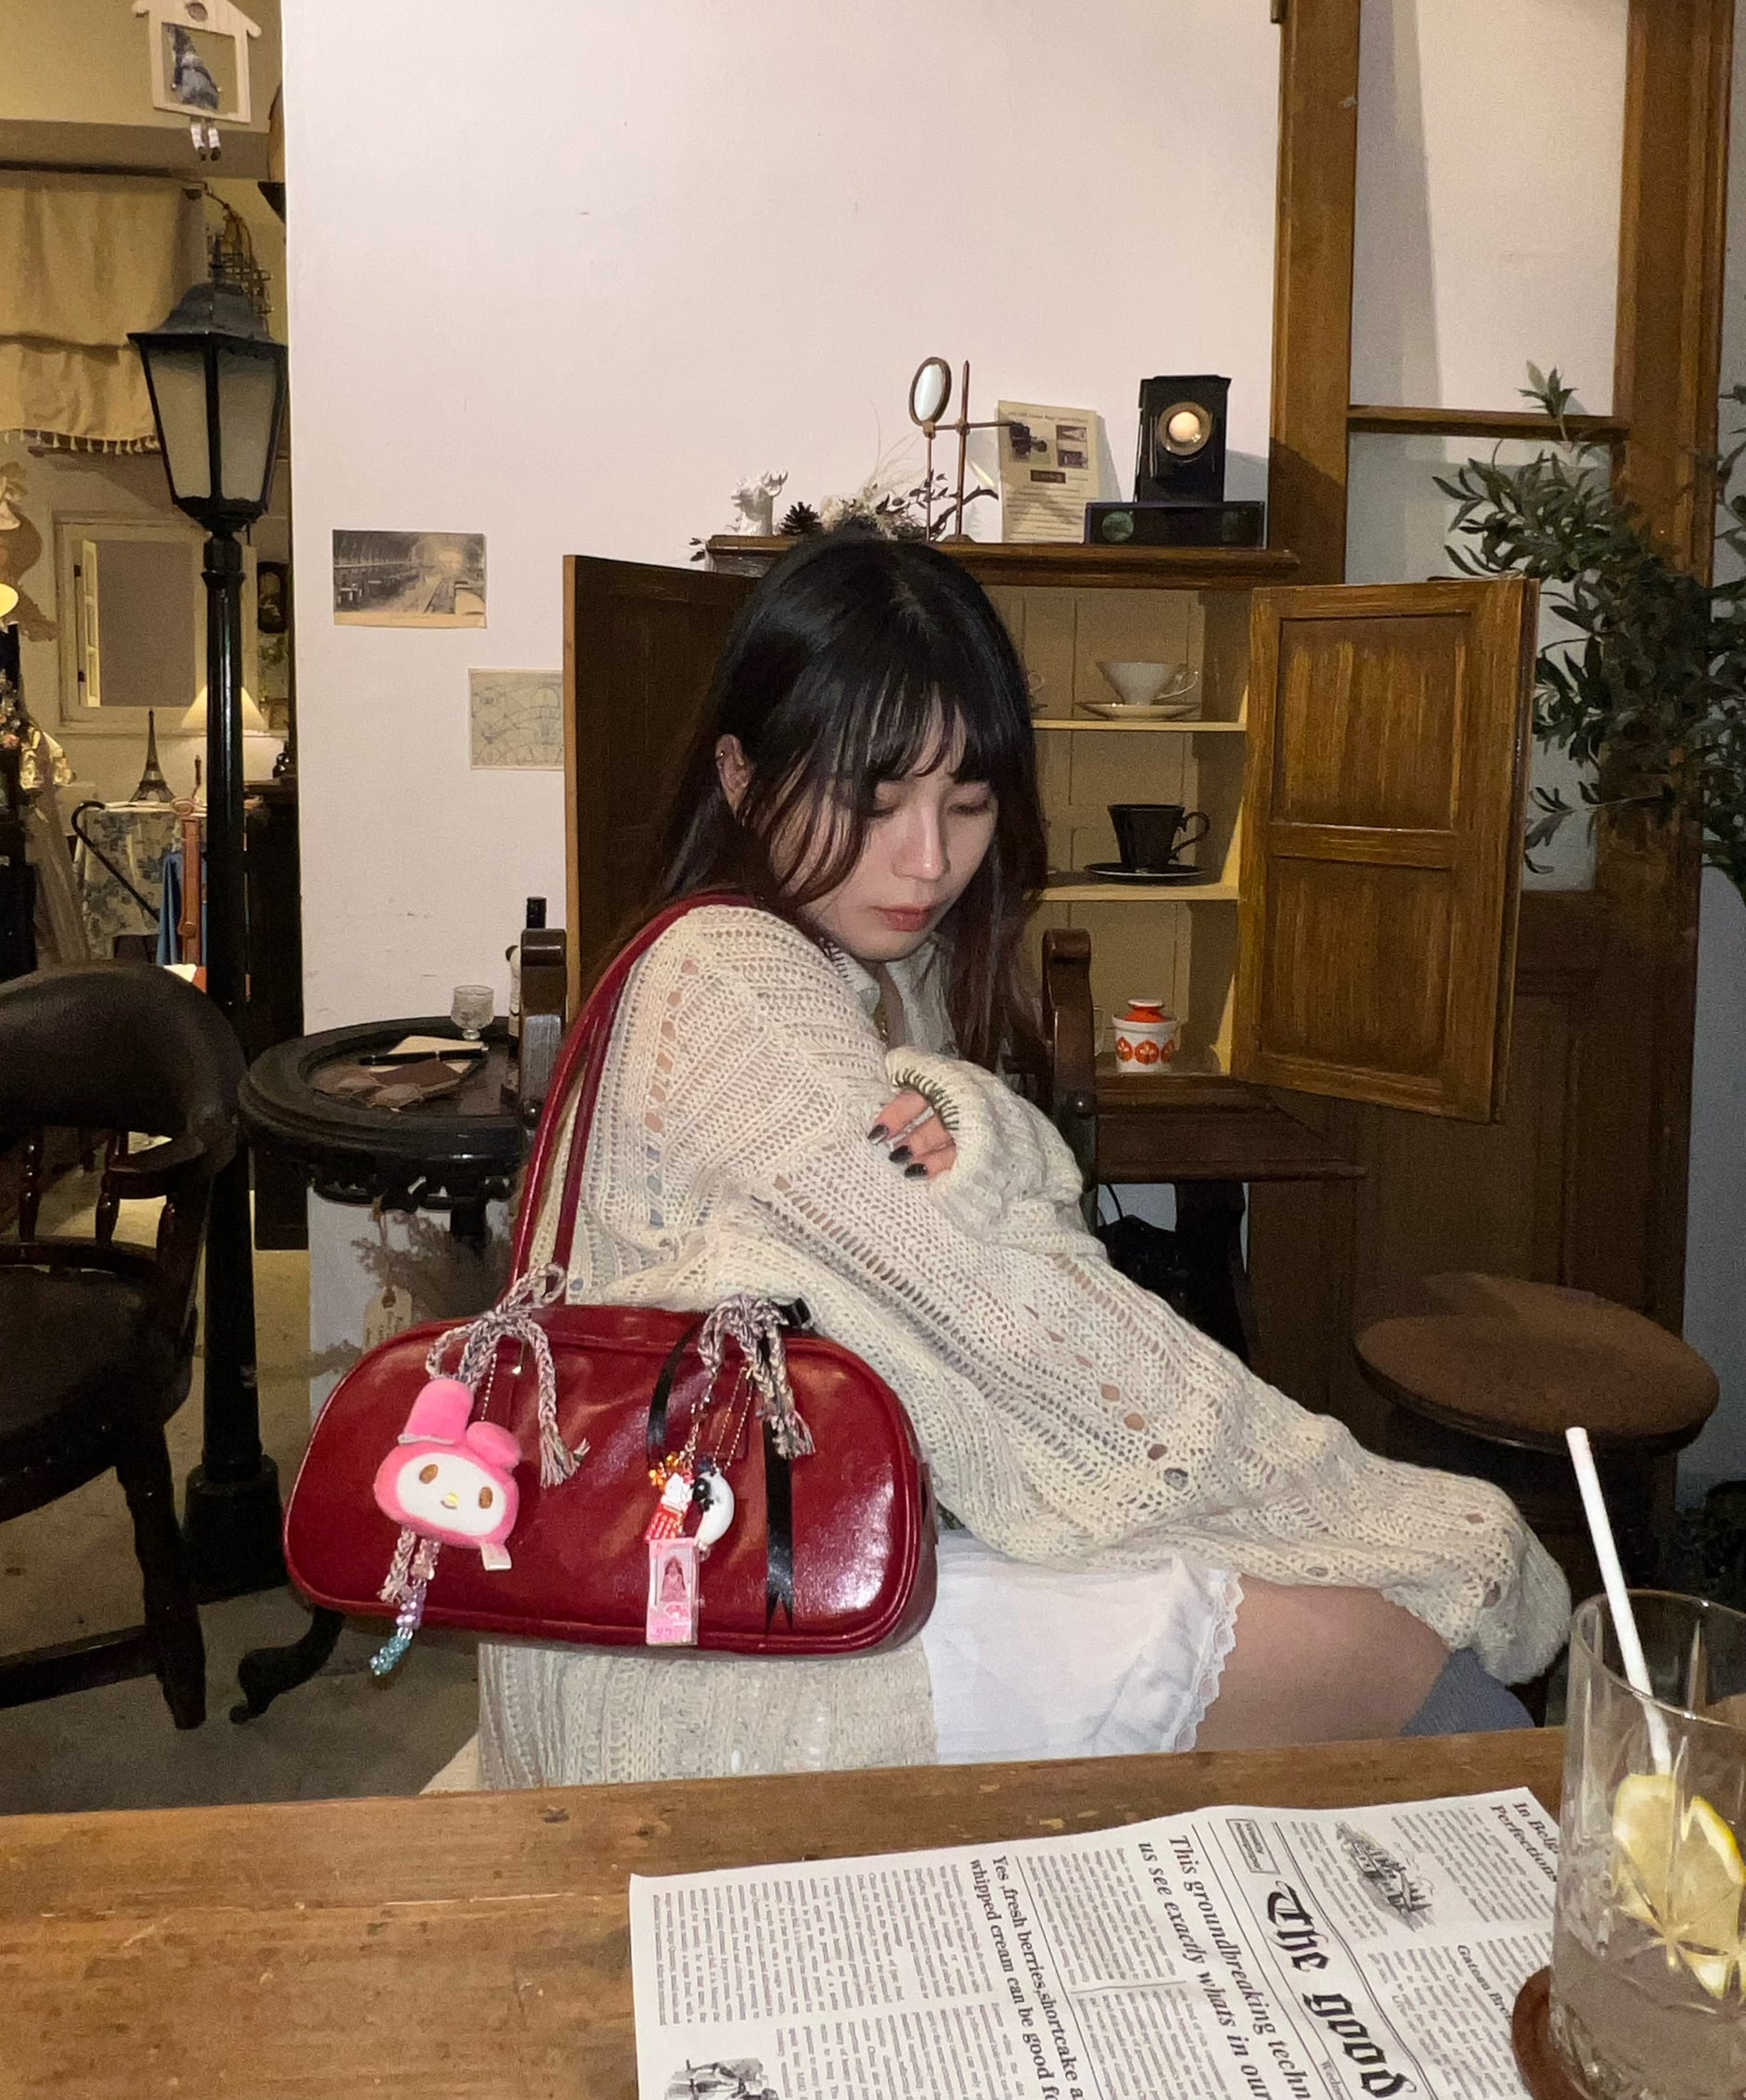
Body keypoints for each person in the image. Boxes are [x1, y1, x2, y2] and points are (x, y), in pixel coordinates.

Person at [478, 535, 1568, 1786]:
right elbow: (1021, 1319)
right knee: (1389, 1651)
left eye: (968, 801)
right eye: (871, 800)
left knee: (1292, 1618)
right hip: (702, 1639)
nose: (928, 860)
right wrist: (1391, 1515)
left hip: (785, 1545)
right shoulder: (738, 978)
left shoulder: (879, 972)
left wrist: (970, 1121)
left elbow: (972, 1241)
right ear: (739, 774)